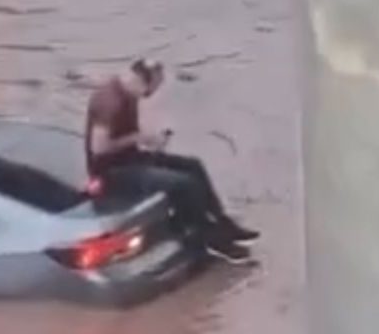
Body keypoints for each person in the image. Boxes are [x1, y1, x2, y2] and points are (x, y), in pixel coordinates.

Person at [84, 59, 259, 263]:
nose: (154, 93)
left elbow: (126, 135)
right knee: (182, 184)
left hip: (129, 158)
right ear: (142, 80)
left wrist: (150, 140)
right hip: (111, 173)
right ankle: (207, 239)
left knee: (193, 166)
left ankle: (221, 222)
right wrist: (137, 137)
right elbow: (98, 148)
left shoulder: (129, 92)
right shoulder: (109, 101)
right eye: (155, 86)